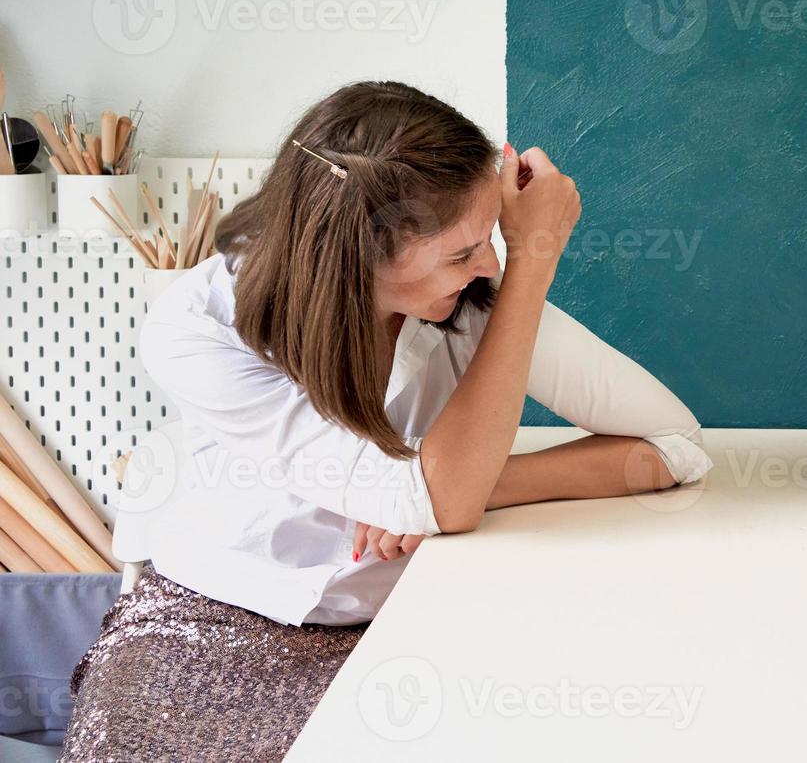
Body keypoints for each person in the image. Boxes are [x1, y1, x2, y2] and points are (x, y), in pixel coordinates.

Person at [60, 81, 711, 762]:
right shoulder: (198, 328)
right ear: (352, 255)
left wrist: (474, 482)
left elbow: (674, 445)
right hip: (214, 615)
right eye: (460, 254)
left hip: (420, 613)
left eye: (492, 239)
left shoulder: (481, 303)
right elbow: (439, 498)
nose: (491, 265)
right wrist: (439, 491)